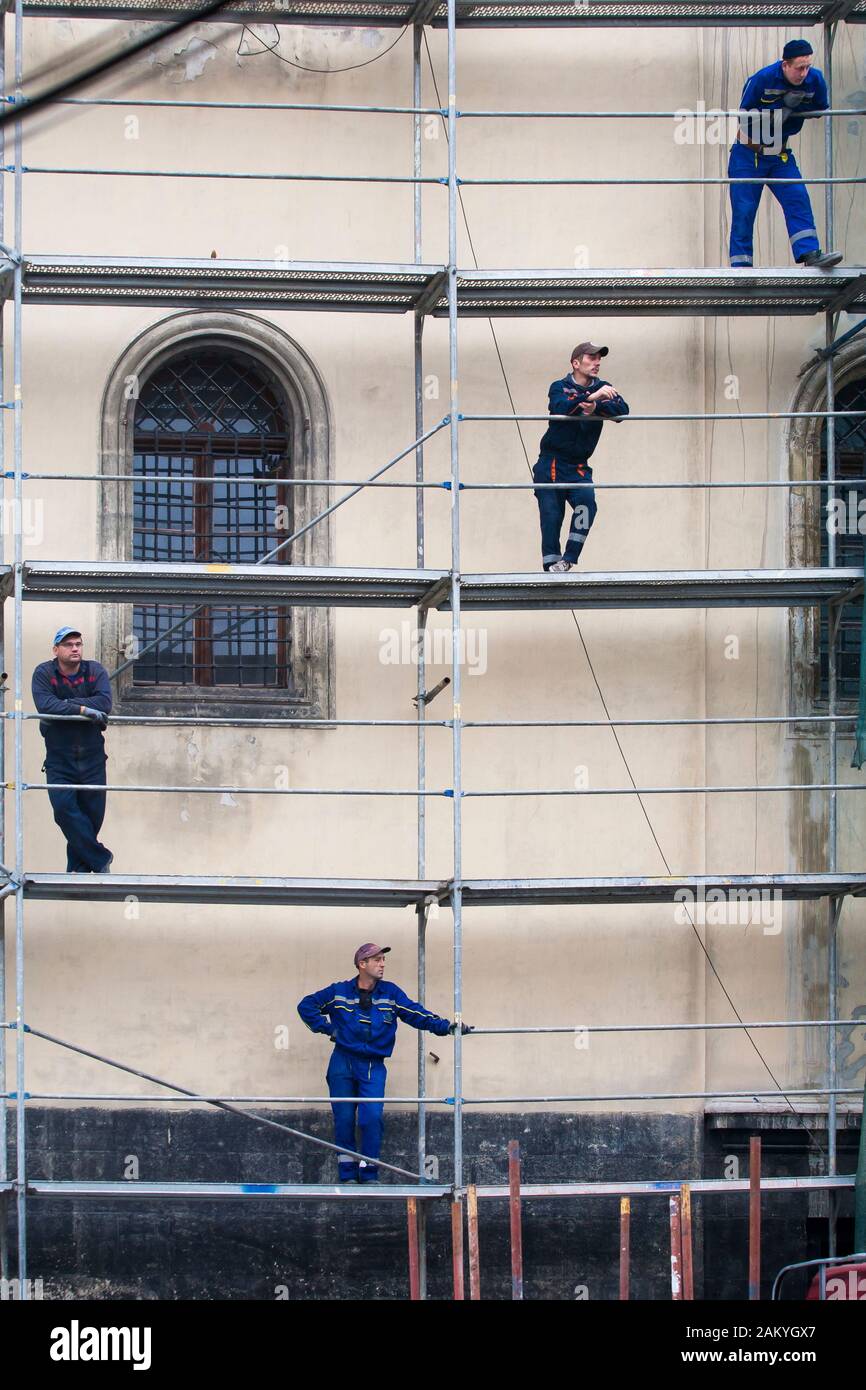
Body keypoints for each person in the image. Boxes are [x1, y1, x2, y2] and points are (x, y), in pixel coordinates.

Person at [298, 943, 472, 1184]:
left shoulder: (390, 993)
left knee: (371, 1118)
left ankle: (369, 1173)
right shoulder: (338, 992)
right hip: (342, 1062)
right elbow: (306, 1006)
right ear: (362, 964)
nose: (382, 964)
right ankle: (347, 1174)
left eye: (383, 959)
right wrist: (328, 1029)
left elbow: (416, 1013)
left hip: (372, 1065)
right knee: (344, 1118)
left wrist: (447, 1027)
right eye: (377, 959)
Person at [728, 39, 842, 269]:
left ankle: (810, 253)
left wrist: (796, 108)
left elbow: (820, 109)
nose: (804, 73)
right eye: (799, 67)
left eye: (807, 66)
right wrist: (783, 108)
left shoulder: (814, 79)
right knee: (744, 210)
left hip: (779, 154)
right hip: (748, 154)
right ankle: (741, 269)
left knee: (797, 198)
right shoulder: (762, 79)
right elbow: (745, 117)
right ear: (785, 65)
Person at [533, 341, 629, 573]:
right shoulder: (559, 386)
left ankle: (569, 558)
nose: (597, 363)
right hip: (551, 463)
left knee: (587, 504)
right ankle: (551, 565)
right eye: (591, 358)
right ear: (576, 363)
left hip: (578, 466)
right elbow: (560, 407)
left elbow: (622, 411)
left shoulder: (606, 387)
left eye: (599, 359)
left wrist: (594, 407)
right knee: (551, 516)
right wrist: (592, 397)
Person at [31, 626, 113, 873]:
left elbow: (105, 703)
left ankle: (77, 868)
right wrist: (84, 711)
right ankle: (100, 858)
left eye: (78, 644)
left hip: (92, 756)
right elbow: (45, 705)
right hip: (60, 758)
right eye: (68, 645)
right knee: (64, 810)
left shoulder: (95, 670)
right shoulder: (44, 672)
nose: (75, 648)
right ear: (56, 650)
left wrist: (67, 704)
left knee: (92, 815)